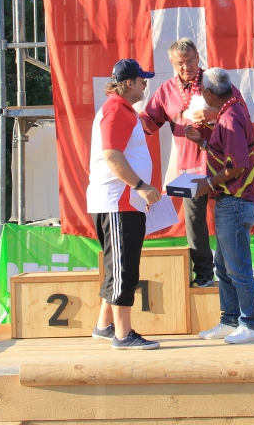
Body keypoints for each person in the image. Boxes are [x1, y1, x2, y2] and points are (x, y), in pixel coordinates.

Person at [140, 38, 242, 288]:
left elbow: (240, 110)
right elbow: (148, 122)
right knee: (194, 224)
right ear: (173, 64)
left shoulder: (215, 82)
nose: (186, 66)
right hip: (189, 167)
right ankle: (204, 275)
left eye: (190, 60)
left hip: (222, 164)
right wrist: (125, 119)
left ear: (198, 57)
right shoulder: (166, 90)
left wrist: (214, 114)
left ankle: (234, 275)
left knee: (228, 219)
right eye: (180, 63)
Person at [184, 67, 254, 344]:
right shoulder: (233, 109)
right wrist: (204, 141)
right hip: (233, 201)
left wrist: (207, 184)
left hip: (235, 200)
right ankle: (230, 320)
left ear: (207, 93)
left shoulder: (229, 117)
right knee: (224, 265)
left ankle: (251, 324)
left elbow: (238, 163)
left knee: (237, 267)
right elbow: (229, 152)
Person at [88, 58, 162, 350]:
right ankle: (122, 335)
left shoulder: (123, 109)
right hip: (118, 202)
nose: (145, 83)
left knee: (117, 266)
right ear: (128, 83)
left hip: (123, 202)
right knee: (123, 269)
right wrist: (141, 186)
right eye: (142, 79)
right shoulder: (116, 109)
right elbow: (112, 155)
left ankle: (105, 326)